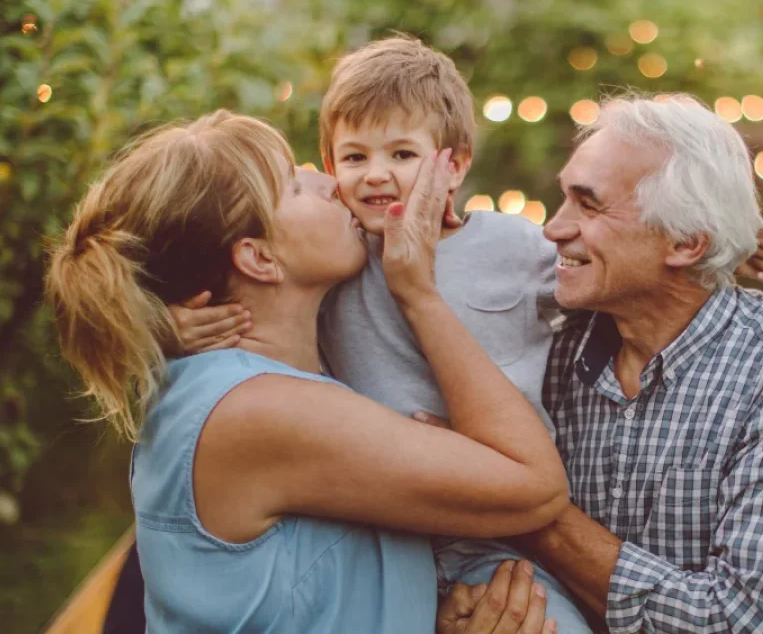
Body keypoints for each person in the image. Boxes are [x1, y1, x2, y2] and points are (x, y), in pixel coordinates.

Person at [170, 36, 763, 634]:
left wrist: (731, 245)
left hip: (496, 531)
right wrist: (169, 325)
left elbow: (618, 268)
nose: (375, 176)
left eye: (402, 155)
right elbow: (230, 306)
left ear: (455, 164)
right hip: (387, 516)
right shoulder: (341, 255)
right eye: (354, 158)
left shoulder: (512, 247)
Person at [44, 111, 568, 633]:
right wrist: (417, 292)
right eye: (294, 186)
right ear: (259, 258)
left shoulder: (235, 389)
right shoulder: (255, 410)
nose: (330, 182)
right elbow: (535, 488)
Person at [438, 95, 763, 633]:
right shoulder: (548, 346)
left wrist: (515, 499)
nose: (552, 229)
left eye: (588, 205)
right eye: (563, 197)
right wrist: (463, 607)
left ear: (687, 242)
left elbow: (738, 624)